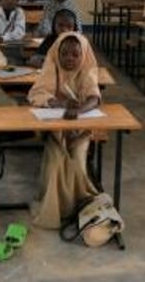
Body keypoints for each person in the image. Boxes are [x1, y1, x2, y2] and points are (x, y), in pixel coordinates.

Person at [27, 31, 101, 229]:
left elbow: (94, 98)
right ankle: (55, 209)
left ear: (83, 55)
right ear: (56, 54)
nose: (70, 58)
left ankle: (76, 205)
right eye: (65, 54)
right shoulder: (52, 68)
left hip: (80, 131)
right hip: (55, 131)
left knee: (77, 159)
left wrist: (78, 110)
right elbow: (38, 94)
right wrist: (60, 103)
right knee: (56, 160)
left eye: (75, 54)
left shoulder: (86, 71)